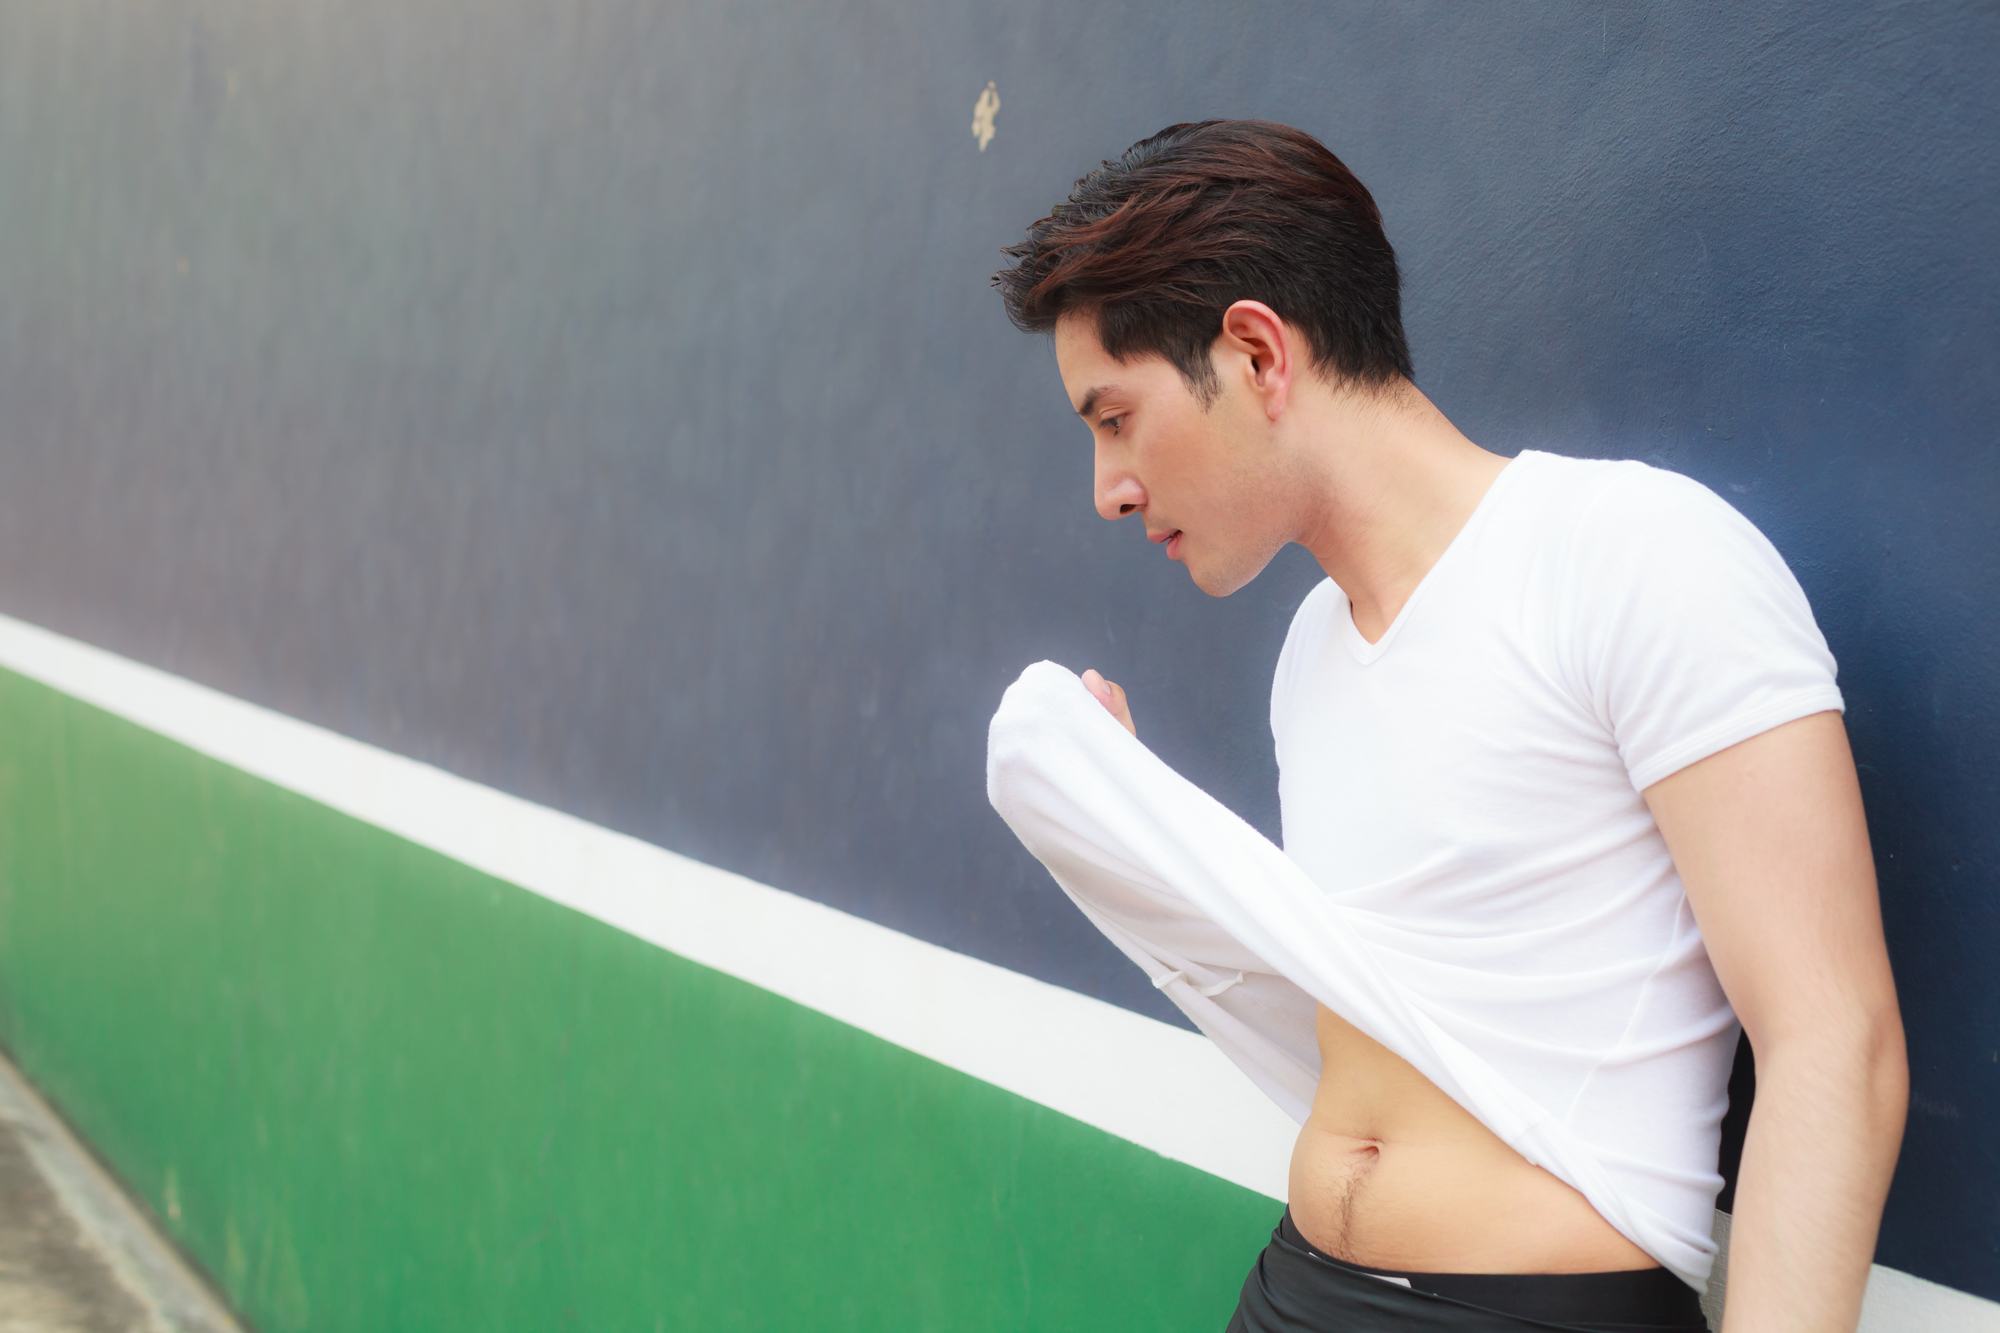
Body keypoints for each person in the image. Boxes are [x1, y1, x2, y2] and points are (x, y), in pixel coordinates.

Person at [984, 120, 1907, 1332]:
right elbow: (1411, 1014)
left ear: (1256, 353)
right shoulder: (1310, 650)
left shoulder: (1633, 556)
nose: (1107, 489)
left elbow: (1834, 1041)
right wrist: (1133, 825)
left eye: (1114, 419)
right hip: (1293, 1290)